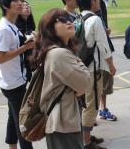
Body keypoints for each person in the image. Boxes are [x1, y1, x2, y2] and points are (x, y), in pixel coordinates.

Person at [33, 8, 90, 149]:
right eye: (62, 20)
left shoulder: (59, 51)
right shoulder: (59, 54)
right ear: (50, 28)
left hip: (63, 120)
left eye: (70, 19)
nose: (69, 22)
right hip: (63, 123)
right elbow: (84, 83)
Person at [0, 0, 34, 149]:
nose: (20, 3)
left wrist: (27, 42)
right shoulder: (4, 29)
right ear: (5, 5)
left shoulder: (11, 25)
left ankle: (11, 145)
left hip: (13, 80)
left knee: (14, 118)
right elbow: (1, 58)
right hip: (13, 84)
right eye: (15, 1)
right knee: (23, 123)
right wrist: (25, 48)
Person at [77, 0, 116, 149]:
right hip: (93, 68)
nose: (99, 1)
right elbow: (103, 45)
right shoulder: (95, 20)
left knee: (83, 104)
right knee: (91, 105)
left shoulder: (79, 18)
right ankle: (86, 143)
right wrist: (111, 66)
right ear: (92, 1)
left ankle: (84, 137)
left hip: (80, 67)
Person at [89, 0, 117, 121]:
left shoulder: (102, 2)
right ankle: (94, 112)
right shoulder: (90, 2)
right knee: (97, 80)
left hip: (104, 42)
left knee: (105, 80)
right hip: (96, 48)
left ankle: (102, 108)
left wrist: (105, 30)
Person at [15, 1, 36, 82]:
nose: (27, 7)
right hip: (21, 65)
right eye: (23, 6)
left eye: (28, 5)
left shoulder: (30, 25)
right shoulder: (16, 26)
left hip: (29, 62)